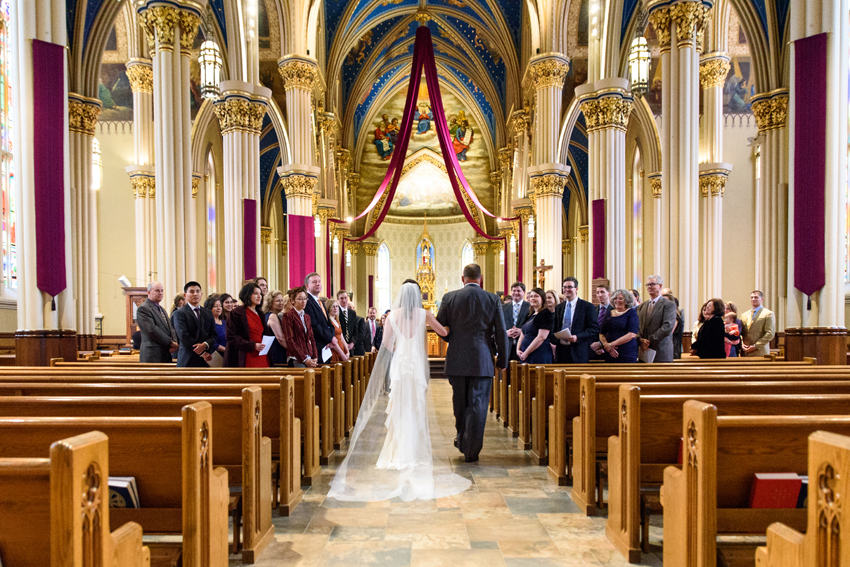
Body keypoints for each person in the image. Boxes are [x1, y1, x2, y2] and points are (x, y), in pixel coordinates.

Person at [327, 281, 471, 502]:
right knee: (416, 407)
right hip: (416, 367)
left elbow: (385, 344)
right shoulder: (425, 313)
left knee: (399, 407)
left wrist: (400, 349)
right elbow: (444, 332)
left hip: (400, 365)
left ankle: (397, 452)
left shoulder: (393, 315)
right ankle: (414, 452)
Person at [436, 264, 509, 463]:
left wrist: (453, 340)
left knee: (460, 402)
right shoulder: (493, 299)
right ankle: (472, 449)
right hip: (482, 358)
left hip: (457, 358)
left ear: (463, 278)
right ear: (481, 278)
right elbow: (501, 332)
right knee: (478, 404)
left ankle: (462, 439)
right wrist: (502, 359)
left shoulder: (449, 298)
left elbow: (440, 326)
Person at [551, 277, 598, 364]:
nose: (566, 289)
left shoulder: (587, 306)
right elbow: (556, 327)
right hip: (561, 351)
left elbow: (594, 329)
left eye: (569, 287)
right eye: (564, 287)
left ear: (576, 289)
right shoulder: (559, 307)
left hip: (578, 351)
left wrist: (577, 337)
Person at [224, 282, 269, 367]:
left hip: (262, 353)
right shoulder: (236, 313)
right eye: (255, 293)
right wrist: (252, 345)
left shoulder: (261, 314)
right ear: (247, 295)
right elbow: (231, 337)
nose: (259, 296)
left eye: (260, 294)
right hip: (245, 354)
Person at [172, 281, 217, 368]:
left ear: (201, 294)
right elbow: (183, 336)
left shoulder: (208, 313)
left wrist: (205, 344)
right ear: (185, 295)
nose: (195, 294)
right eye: (191, 292)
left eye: (197, 291)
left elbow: (213, 334)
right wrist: (202, 352)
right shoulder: (179, 313)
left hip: (206, 359)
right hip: (187, 358)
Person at [636, 275, 677, 362]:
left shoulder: (668, 305)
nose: (649, 287)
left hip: (661, 350)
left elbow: (667, 326)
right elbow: (637, 325)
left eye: (652, 284)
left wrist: (649, 340)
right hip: (644, 350)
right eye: (648, 285)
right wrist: (640, 340)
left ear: (660, 286)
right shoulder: (642, 306)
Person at [136, 281, 179, 363]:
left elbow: (170, 328)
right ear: (149, 292)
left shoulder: (162, 309)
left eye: (162, 291)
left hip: (165, 352)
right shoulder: (144, 308)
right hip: (152, 354)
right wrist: (170, 342)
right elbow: (151, 330)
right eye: (157, 291)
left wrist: (175, 341)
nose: (160, 293)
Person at [280, 287, 319, 368]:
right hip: (296, 358)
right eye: (300, 299)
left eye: (305, 298)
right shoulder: (288, 316)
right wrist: (304, 359)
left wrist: (315, 357)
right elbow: (290, 340)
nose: (303, 301)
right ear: (292, 301)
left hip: (309, 356)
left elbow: (312, 338)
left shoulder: (307, 316)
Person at [598, 289, 640, 363]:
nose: (617, 300)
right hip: (609, 352)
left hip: (626, 352)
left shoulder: (632, 313)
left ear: (627, 300)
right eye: (615, 298)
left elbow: (631, 334)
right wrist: (607, 346)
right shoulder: (609, 313)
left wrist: (611, 344)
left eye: (621, 298)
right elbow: (602, 333)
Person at [303, 272, 336, 363]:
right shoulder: (307, 301)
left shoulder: (320, 301)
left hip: (326, 345)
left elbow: (328, 323)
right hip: (317, 346)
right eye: (314, 282)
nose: (318, 284)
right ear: (307, 286)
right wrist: (330, 338)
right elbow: (314, 325)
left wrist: (331, 337)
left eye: (319, 281)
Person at [517, 288, 554, 364]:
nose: (533, 298)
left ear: (542, 299)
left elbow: (541, 337)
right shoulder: (530, 315)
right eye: (531, 296)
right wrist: (518, 350)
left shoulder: (545, 314)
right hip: (525, 354)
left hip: (539, 354)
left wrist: (526, 353)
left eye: (536, 296)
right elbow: (522, 334)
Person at [740, 290, 776, 357]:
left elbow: (770, 333)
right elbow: (741, 332)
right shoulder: (744, 315)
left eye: (756, 297)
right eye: (752, 297)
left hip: (760, 351)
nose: (753, 299)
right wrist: (742, 344)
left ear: (762, 299)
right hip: (745, 351)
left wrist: (755, 346)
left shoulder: (768, 314)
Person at [502, 282, 530, 361]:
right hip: (507, 345)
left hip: (523, 346)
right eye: (514, 291)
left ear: (524, 292)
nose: (516, 293)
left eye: (518, 291)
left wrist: (521, 331)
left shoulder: (530, 307)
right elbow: (498, 325)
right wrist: (506, 332)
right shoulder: (503, 307)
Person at [263, 290, 289, 367]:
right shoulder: (272, 316)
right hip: (277, 352)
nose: (281, 303)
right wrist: (295, 351)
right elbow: (280, 338)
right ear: (270, 302)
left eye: (282, 300)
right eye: (278, 301)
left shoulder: (269, 315)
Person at [589, 284, 613, 359]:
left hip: (609, 348)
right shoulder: (592, 310)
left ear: (609, 293)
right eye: (597, 292)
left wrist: (601, 344)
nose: (599, 295)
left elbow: (614, 331)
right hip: (593, 349)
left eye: (602, 292)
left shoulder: (614, 310)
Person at [204, 295, 227, 367]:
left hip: (227, 355)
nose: (219, 308)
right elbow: (209, 341)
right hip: (214, 356)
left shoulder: (224, 322)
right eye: (215, 306)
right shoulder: (206, 323)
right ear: (209, 308)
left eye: (220, 306)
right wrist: (225, 349)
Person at [326, 298, 350, 362]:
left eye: (337, 306)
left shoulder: (337, 321)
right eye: (333, 306)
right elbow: (332, 341)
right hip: (335, 350)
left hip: (342, 350)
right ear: (328, 308)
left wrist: (347, 351)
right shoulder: (328, 321)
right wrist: (342, 354)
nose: (335, 308)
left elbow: (342, 337)